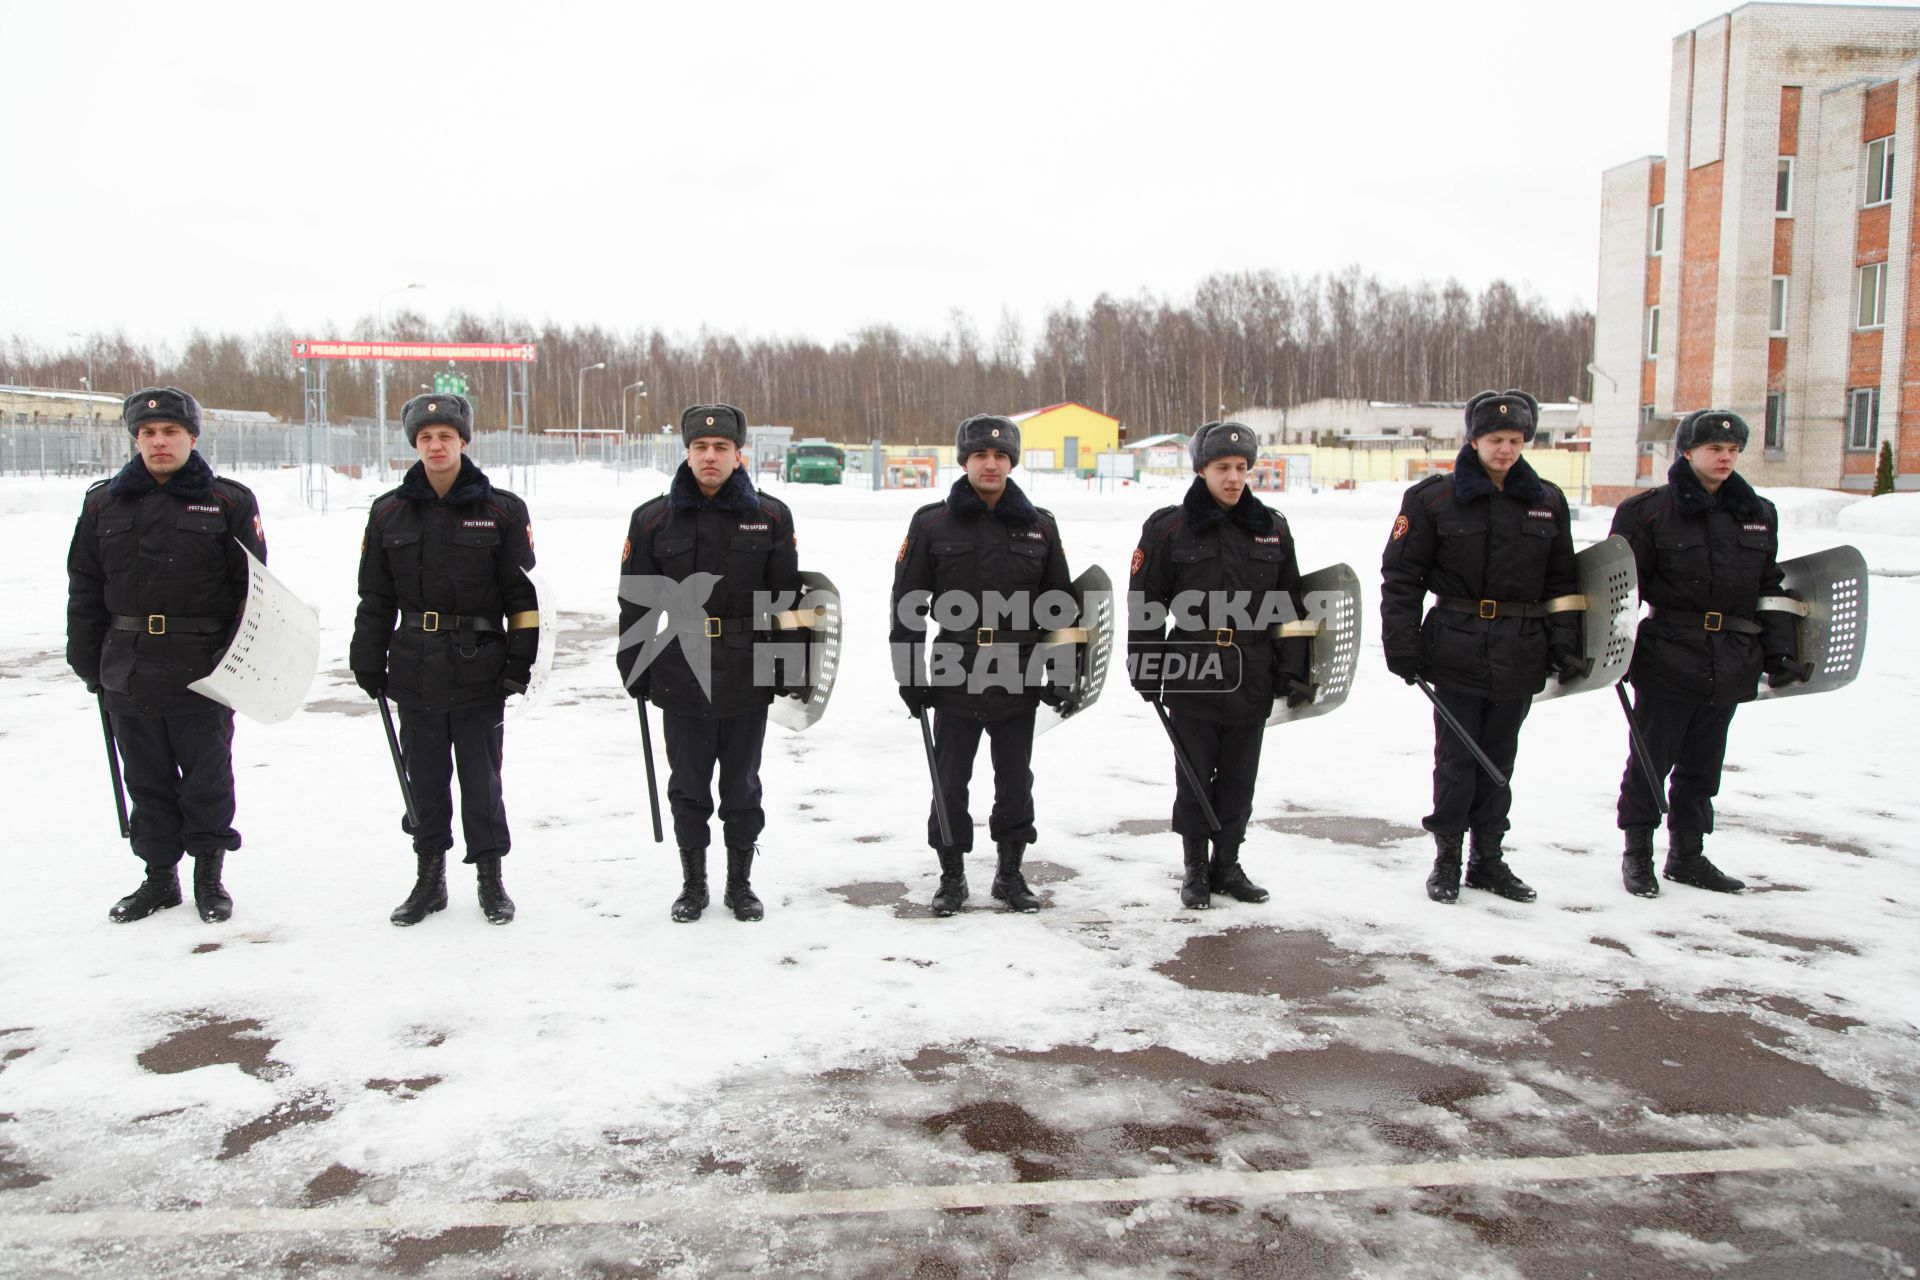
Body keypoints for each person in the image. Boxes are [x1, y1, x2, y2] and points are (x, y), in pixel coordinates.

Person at [67, 387, 266, 923]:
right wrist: (88, 662)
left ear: (192, 438)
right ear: (137, 439)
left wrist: (232, 664)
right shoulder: (103, 502)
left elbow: (252, 592)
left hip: (203, 665)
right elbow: (85, 586)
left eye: (171, 432)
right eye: (149, 433)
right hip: (127, 665)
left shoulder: (228, 501)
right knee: (146, 776)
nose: (159, 442)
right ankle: (159, 879)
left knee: (207, 776)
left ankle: (208, 876)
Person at [1380, 390, 1581, 905]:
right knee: (1456, 759)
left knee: (1500, 758)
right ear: (1473, 439)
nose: (1506, 450)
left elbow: (1563, 582)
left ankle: (1488, 859)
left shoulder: (1546, 501)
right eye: (1496, 439)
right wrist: (1401, 645)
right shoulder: (1432, 500)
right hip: (1455, 646)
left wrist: (1567, 645)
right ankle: (1447, 857)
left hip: (1521, 648)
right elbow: (1402, 578)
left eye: (1516, 440)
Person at [350, 393, 539, 927]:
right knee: (424, 780)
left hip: (482, 666)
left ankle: (490, 879)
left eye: (446, 437)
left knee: (482, 781)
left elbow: (523, 598)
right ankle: (429, 879)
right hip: (414, 667)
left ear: (464, 442)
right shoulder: (389, 511)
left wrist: (518, 663)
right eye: (426, 437)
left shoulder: (502, 510)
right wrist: (368, 658)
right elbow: (375, 596)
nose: (436, 446)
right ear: (415, 444)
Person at [616, 404, 801, 923]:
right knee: (689, 785)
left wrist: (788, 666)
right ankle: (693, 884)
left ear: (738, 454)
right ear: (688, 452)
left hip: (746, 670)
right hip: (679, 668)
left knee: (742, 785)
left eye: (721, 448)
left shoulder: (770, 515)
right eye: (701, 447)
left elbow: (785, 598)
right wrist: (634, 663)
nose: (710, 456)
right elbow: (637, 600)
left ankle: (739, 885)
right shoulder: (653, 518)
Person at [1610, 409, 1804, 896]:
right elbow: (1619, 591)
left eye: (1734, 450)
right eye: (1716, 449)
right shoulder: (1648, 512)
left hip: (1733, 656)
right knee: (1651, 760)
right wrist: (1611, 653)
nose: (1726, 458)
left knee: (1703, 764)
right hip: (1668, 654)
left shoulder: (1756, 513)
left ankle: (1688, 855)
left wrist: (1779, 651)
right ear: (1688, 452)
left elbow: (1769, 586)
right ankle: (1638, 854)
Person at [890, 413, 1077, 916]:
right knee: (950, 780)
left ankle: (1010, 875)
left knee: (1015, 780)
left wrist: (1062, 671)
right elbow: (908, 602)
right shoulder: (933, 523)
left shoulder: (1040, 526)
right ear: (965, 461)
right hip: (955, 669)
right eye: (980, 455)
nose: (990, 464)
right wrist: (909, 674)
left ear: (1011, 462)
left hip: (1019, 671)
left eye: (999, 456)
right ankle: (951, 877)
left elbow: (1060, 605)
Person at [1128, 422, 1313, 908]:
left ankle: (1227, 864)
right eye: (1222, 468)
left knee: (1238, 776)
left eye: (1241, 468)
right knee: (1193, 773)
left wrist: (1293, 670)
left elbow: (1289, 603)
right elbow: (1145, 602)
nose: (1233, 478)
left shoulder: (1271, 528)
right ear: (1202, 470)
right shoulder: (1169, 527)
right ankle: (1194, 867)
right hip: (1192, 665)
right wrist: (1144, 666)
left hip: (1251, 667)